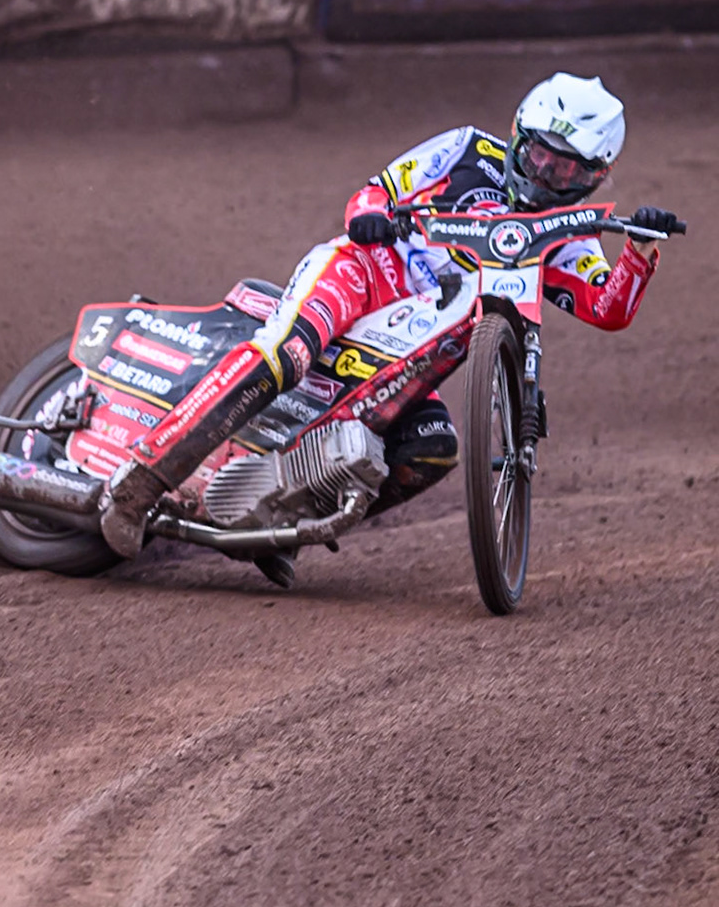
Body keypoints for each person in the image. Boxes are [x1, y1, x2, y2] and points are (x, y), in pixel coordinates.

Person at [98, 73, 679, 561]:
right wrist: (373, 217)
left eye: (569, 172)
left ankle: (279, 529)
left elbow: (608, 308)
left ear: (597, 176)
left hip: (412, 356)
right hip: (362, 277)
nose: (549, 176)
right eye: (540, 156)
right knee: (285, 357)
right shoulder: (466, 149)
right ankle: (139, 483)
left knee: (434, 447)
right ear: (517, 136)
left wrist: (640, 249)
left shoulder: (569, 237)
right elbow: (376, 192)